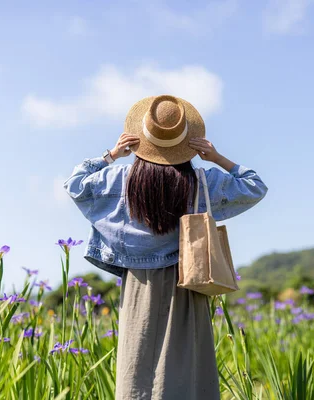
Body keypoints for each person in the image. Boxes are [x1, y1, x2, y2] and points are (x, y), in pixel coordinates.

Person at [64, 95, 267, 399]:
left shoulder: (119, 179)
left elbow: (75, 184)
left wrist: (111, 154)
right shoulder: (202, 180)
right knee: (186, 364)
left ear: (142, 138)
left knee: (138, 359)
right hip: (187, 278)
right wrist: (217, 158)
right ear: (187, 142)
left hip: (138, 283)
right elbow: (254, 186)